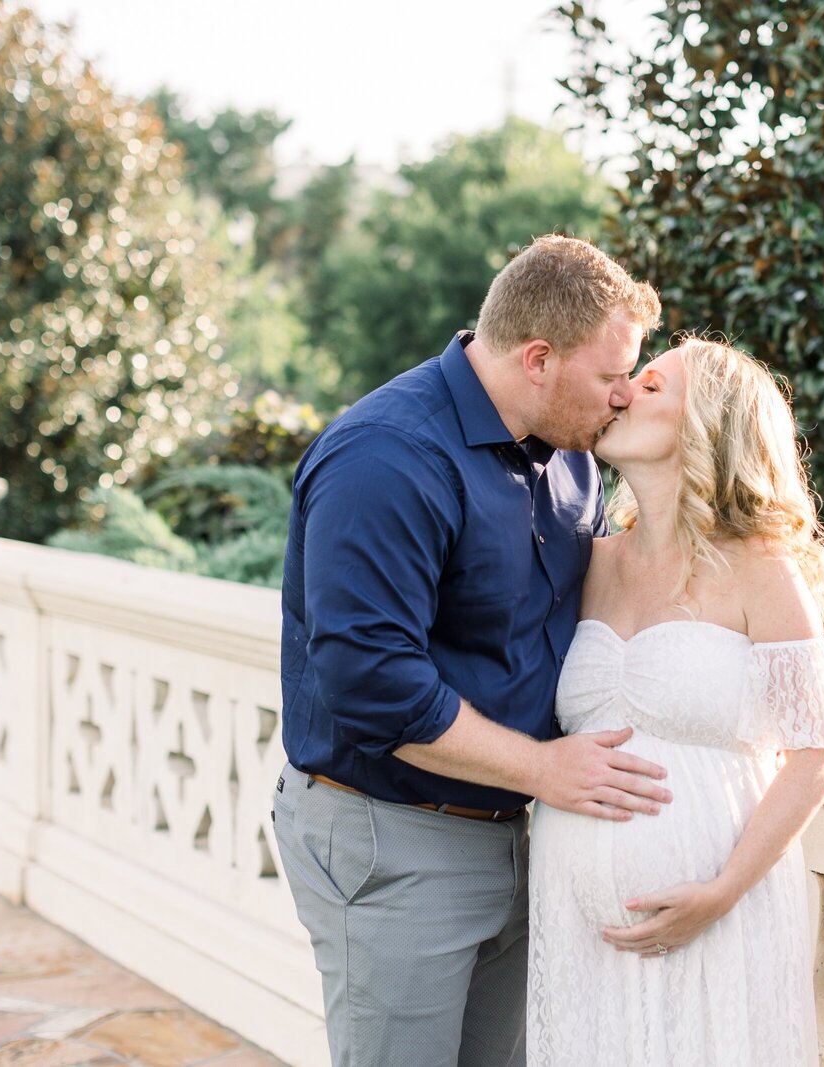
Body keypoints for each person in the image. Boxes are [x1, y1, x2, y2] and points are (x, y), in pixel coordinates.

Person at [274, 234, 671, 1067]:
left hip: (515, 835)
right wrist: (545, 771)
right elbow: (374, 685)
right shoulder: (385, 456)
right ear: (538, 358)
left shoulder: (574, 461)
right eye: (610, 376)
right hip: (392, 839)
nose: (625, 394)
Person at [526, 336, 824, 1066]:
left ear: (706, 422)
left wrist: (720, 892)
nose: (621, 391)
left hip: (718, 916)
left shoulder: (759, 566)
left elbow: (819, 749)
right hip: (575, 921)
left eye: (650, 385)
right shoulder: (591, 560)